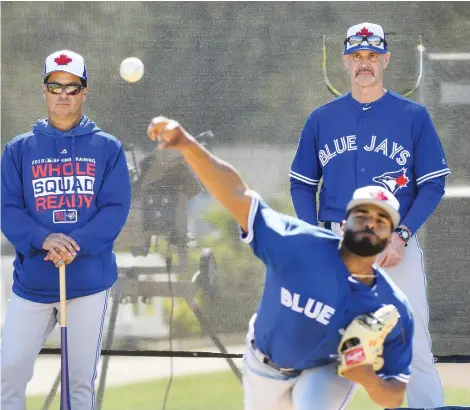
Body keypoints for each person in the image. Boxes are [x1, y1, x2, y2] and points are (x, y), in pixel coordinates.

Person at [147, 116, 414, 409]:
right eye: (362, 215)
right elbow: (238, 194)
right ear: (342, 222)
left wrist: (365, 376)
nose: (370, 224)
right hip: (264, 365)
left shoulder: (391, 307)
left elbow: (394, 396)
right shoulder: (298, 244)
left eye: (381, 221)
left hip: (325, 369)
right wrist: (187, 144)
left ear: (390, 237)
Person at [289, 22, 450, 408]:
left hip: (395, 246)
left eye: (373, 56)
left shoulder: (413, 116)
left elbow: (432, 184)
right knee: (325, 351)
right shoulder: (321, 119)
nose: (365, 64)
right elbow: (301, 184)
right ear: (345, 62)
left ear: (386, 61)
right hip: (337, 247)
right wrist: (316, 241)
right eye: (358, 56)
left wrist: (402, 234)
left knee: (415, 349)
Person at [1, 49, 132, 410]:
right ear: (44, 90)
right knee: (8, 373)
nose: (63, 94)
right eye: (54, 85)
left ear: (84, 92)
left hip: (87, 283)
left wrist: (74, 243)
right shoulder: (18, 150)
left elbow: (115, 208)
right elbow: (8, 208)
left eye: (72, 87)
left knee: (77, 387)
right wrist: (43, 238)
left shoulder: (107, 148)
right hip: (33, 282)